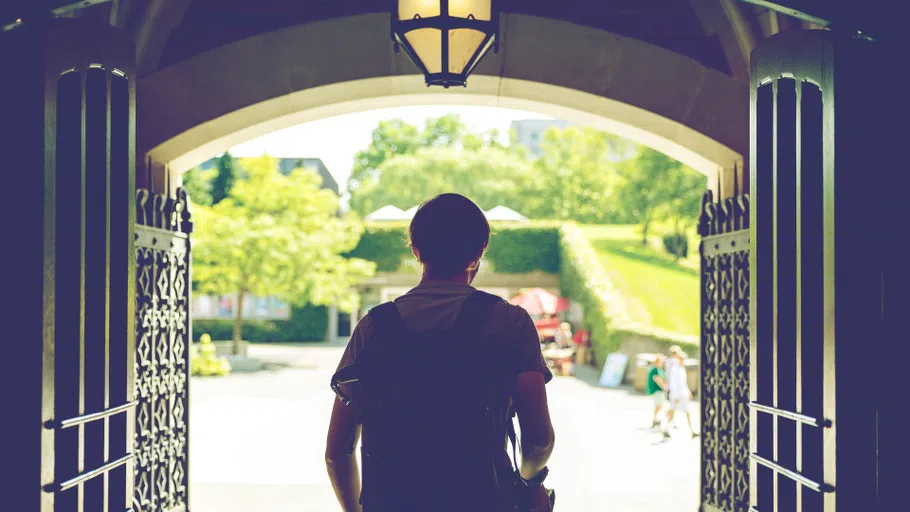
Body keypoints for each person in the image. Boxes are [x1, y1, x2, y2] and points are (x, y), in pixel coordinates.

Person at [325, 193, 556, 512]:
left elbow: (338, 451)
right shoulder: (509, 322)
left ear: (416, 251)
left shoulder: (374, 327)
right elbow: (538, 440)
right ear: (479, 253)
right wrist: (531, 484)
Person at [664, 351, 699, 439]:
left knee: (687, 412)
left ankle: (692, 430)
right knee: (672, 412)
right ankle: (665, 428)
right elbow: (675, 384)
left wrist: (688, 392)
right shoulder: (675, 369)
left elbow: (683, 383)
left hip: (682, 394)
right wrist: (676, 396)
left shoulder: (681, 369)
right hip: (677, 395)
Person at [646, 354, 668, 428]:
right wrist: (664, 387)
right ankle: (655, 420)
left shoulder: (658, 369)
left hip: (659, 390)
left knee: (659, 405)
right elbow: (657, 379)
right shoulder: (655, 370)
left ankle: (655, 419)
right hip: (658, 390)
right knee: (660, 405)